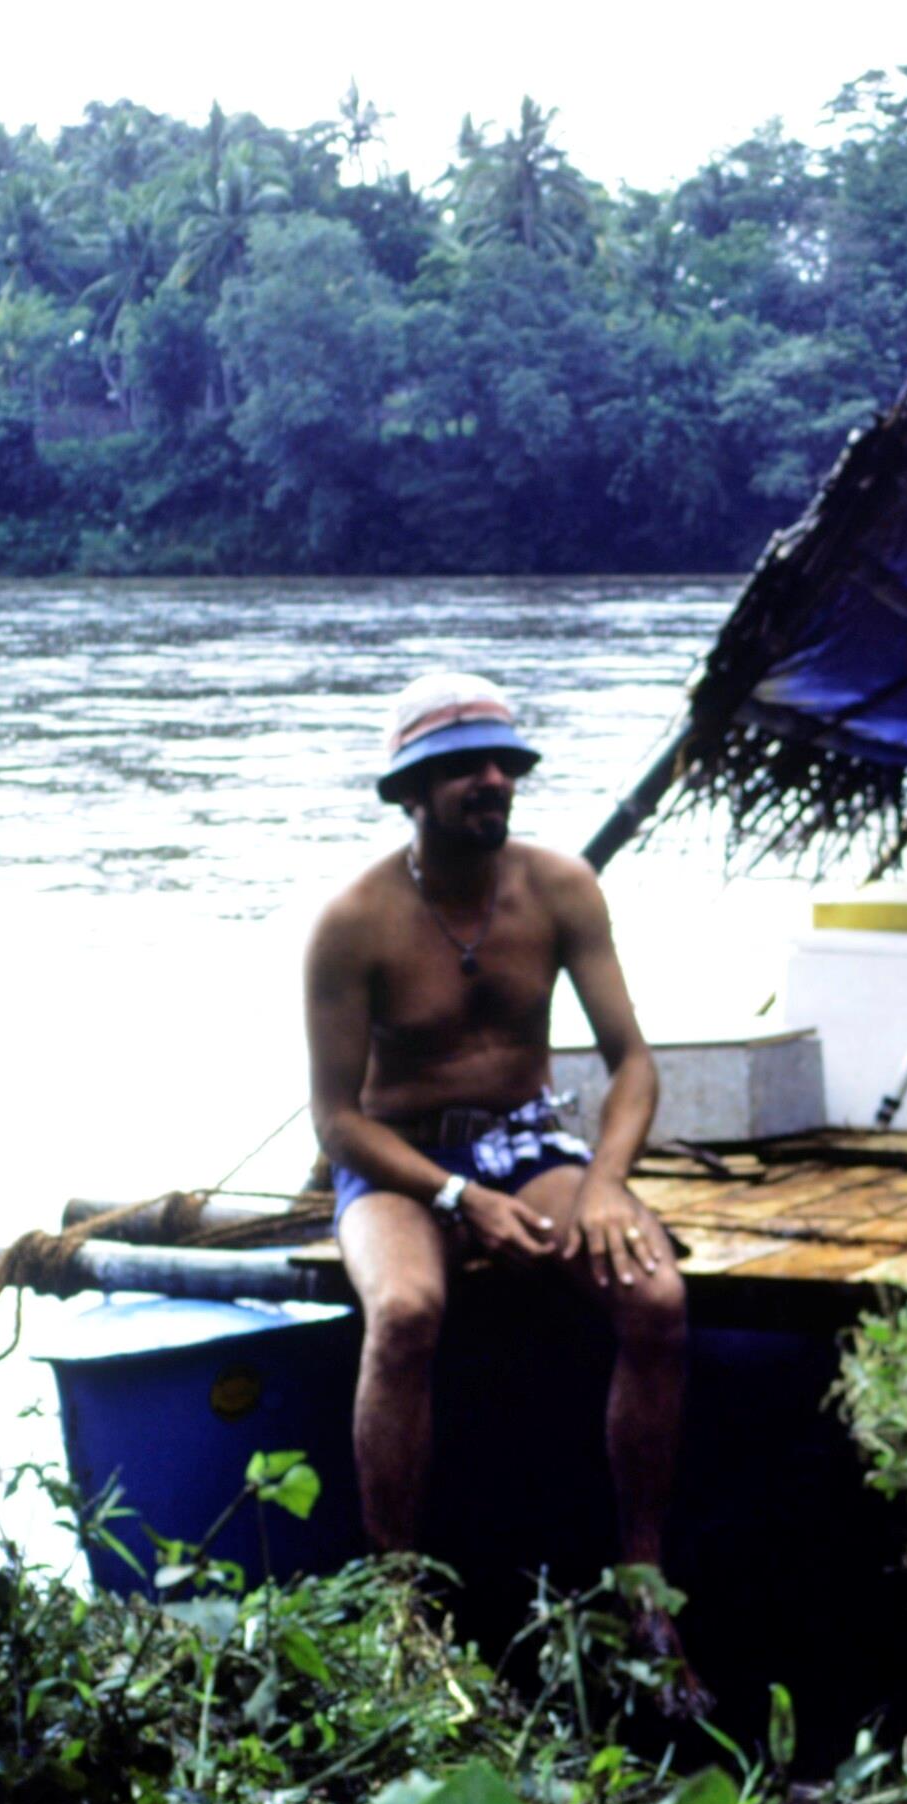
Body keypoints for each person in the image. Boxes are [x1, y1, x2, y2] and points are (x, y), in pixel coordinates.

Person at [303, 672, 704, 1709]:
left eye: (504, 764)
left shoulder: (561, 887)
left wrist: (606, 1184)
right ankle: (401, 1609)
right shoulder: (352, 921)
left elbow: (633, 1063)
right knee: (405, 1312)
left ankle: (643, 1586)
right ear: (410, 791)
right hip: (399, 1157)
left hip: (528, 1140)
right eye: (461, 768)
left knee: (657, 1297)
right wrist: (454, 1197)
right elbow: (337, 1119)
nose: (490, 781)